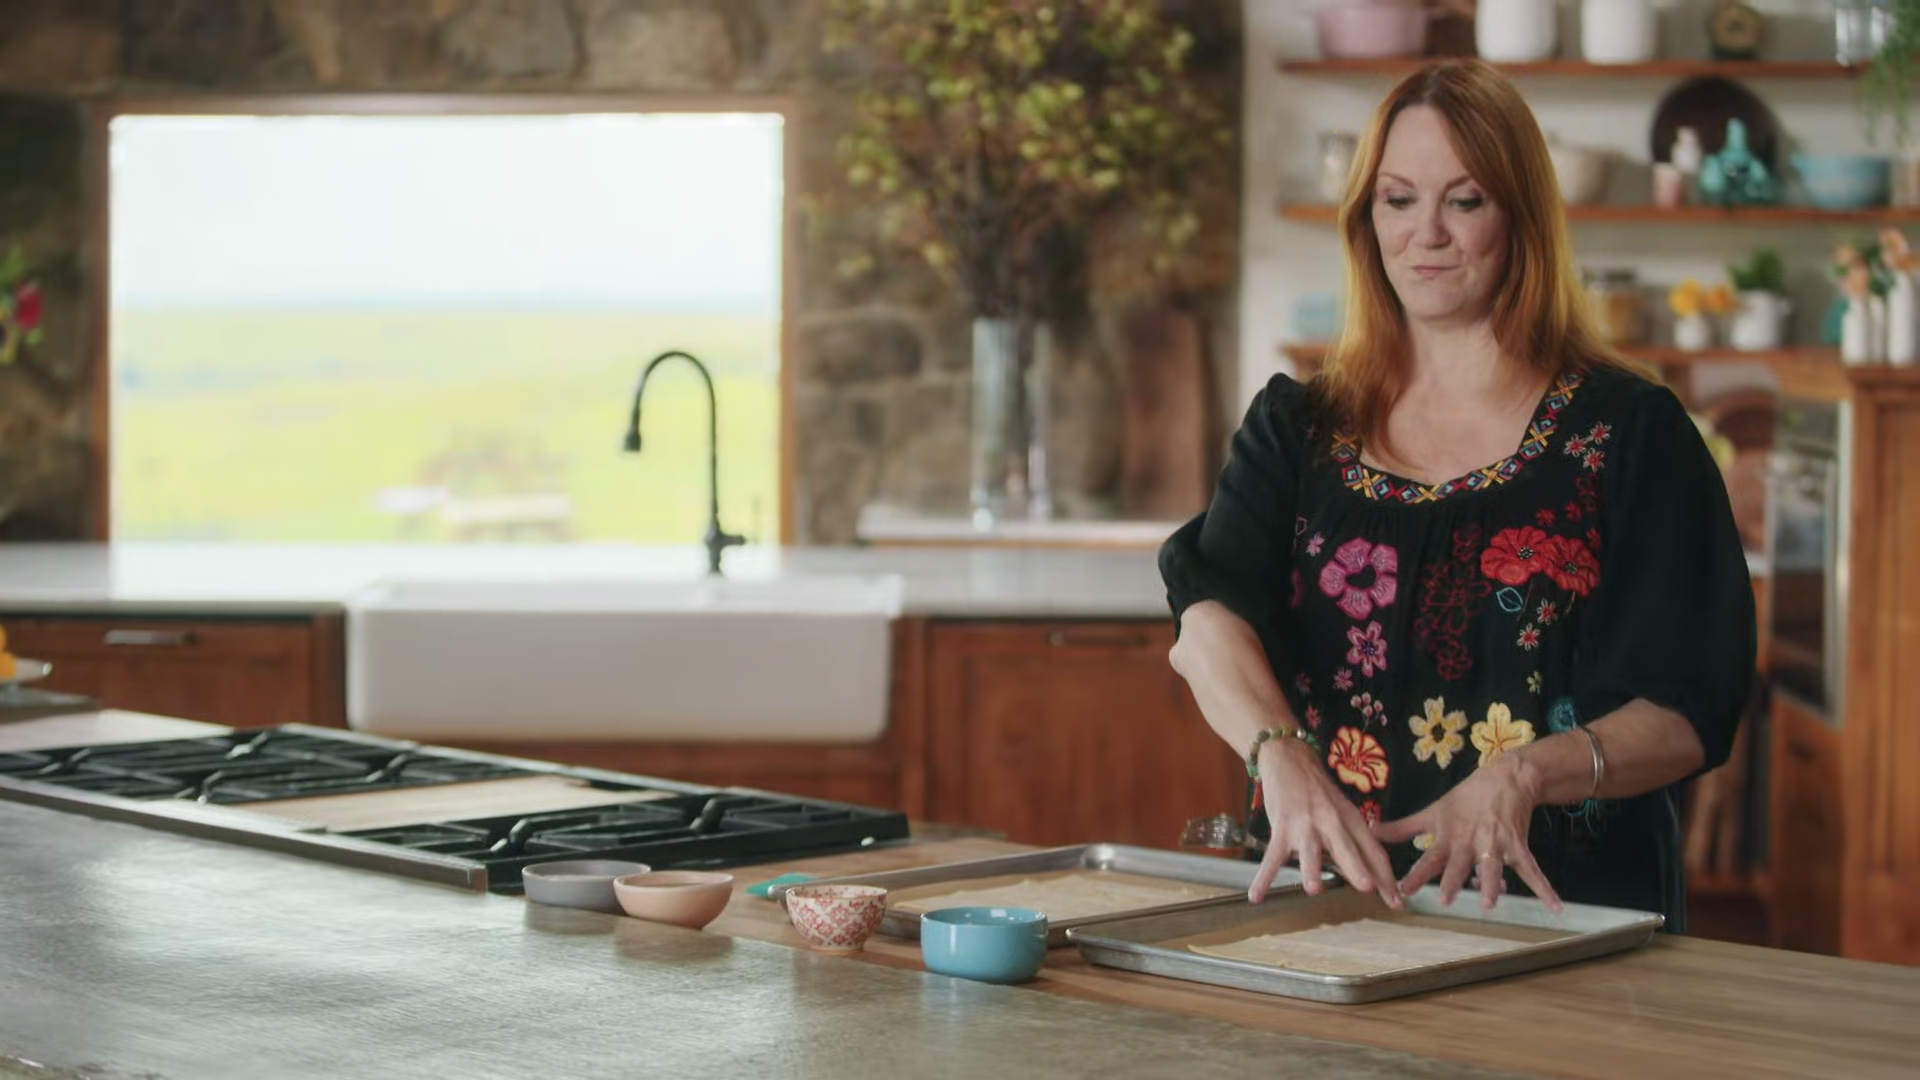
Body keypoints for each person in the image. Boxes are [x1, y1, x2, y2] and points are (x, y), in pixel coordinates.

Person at [1159, 60, 1755, 931]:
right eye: (1398, 199)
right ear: (1366, 219)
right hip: (1330, 917)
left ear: (1520, 217)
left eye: (1465, 201)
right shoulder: (1299, 428)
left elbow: (1688, 707)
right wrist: (1278, 753)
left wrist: (1524, 774)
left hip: (1568, 922)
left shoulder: (1630, 432)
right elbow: (1205, 623)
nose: (1426, 234)